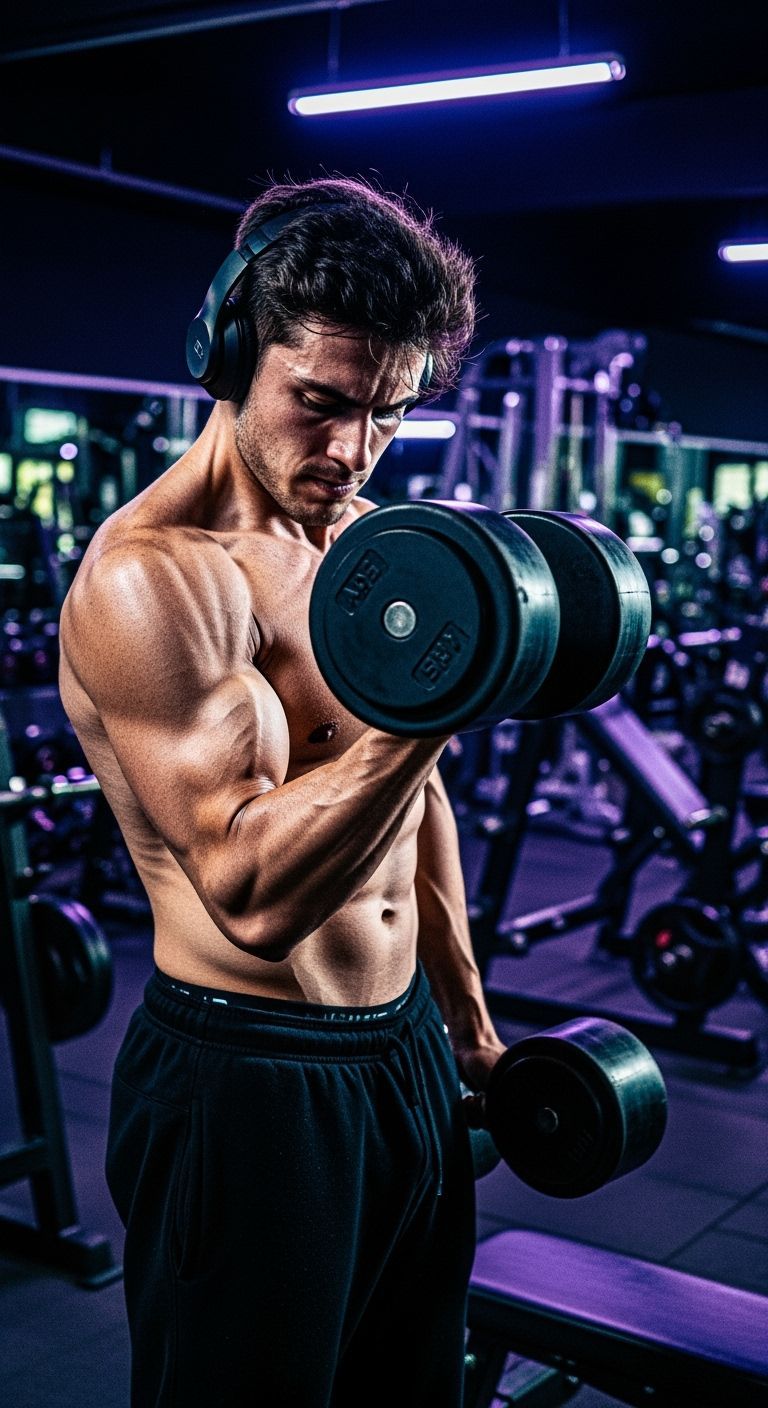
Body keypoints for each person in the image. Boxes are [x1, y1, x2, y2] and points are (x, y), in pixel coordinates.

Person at [58, 175, 506, 1407]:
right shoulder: (150, 580)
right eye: (321, 403)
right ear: (232, 355)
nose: (353, 449)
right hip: (248, 1080)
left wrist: (465, 1015)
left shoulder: (361, 542)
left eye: (389, 414)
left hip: (403, 1050)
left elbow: (421, 807)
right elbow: (251, 891)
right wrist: (438, 701)